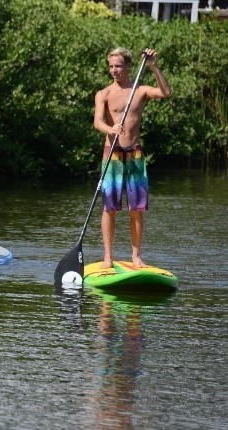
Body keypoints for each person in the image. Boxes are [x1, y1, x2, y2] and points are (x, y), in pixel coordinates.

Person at [93, 47, 171, 269]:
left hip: (135, 153)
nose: (114, 70)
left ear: (128, 66)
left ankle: (136, 256)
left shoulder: (140, 91)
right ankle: (108, 257)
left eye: (118, 66)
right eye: (111, 66)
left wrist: (154, 66)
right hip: (113, 153)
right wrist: (110, 127)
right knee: (109, 208)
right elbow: (97, 121)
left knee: (137, 207)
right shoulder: (103, 94)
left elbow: (166, 92)